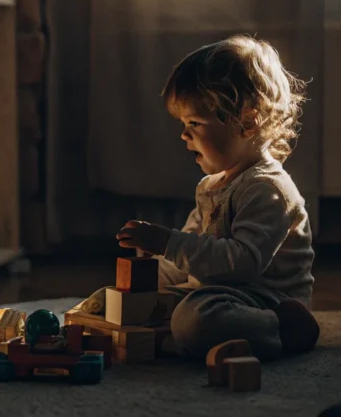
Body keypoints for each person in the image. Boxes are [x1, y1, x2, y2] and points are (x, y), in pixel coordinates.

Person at [95, 35, 320, 361]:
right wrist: (146, 279)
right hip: (219, 290)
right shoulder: (210, 187)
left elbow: (241, 264)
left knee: (195, 318)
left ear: (246, 121)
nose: (184, 135)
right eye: (183, 124)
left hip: (263, 299)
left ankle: (280, 330)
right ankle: (172, 336)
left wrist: (167, 243)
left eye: (194, 123)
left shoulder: (268, 189)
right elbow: (192, 252)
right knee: (120, 302)